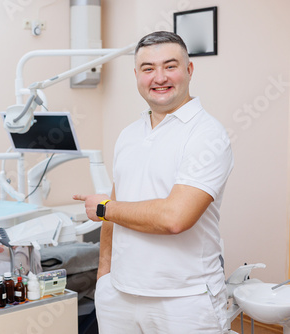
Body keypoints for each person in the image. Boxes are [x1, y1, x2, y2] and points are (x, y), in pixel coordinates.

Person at [73, 31, 234, 333]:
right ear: (136, 75)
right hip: (119, 294)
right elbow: (115, 206)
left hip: (184, 300)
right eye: (148, 69)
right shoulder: (129, 135)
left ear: (189, 70)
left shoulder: (207, 136)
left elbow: (175, 218)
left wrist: (105, 208)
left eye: (170, 66)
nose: (159, 77)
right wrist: (105, 276)